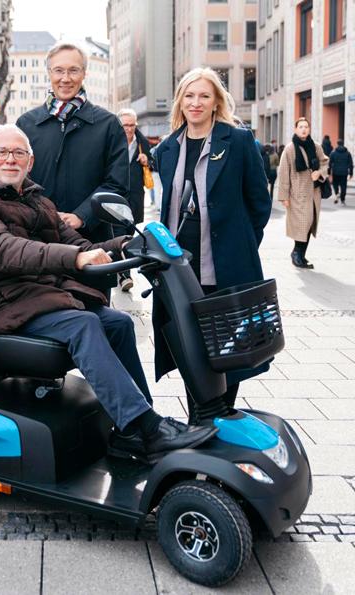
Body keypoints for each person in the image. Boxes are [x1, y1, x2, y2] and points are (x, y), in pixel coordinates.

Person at [0, 124, 216, 463]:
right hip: (2, 303)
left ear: (30, 162)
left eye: (19, 153)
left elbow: (81, 246)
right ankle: (146, 427)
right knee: (83, 324)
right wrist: (73, 257)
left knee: (118, 324)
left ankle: (132, 429)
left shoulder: (37, 200)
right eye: (2, 152)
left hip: (39, 298)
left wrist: (129, 244)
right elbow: (1, 249)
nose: (10, 160)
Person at [155, 67, 272, 423]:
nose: (196, 103)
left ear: (216, 101)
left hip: (225, 265)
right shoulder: (167, 148)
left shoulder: (237, 142)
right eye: (189, 96)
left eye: (204, 96)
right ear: (180, 101)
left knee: (228, 347)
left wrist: (241, 244)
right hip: (180, 269)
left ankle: (221, 417)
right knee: (190, 347)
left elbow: (259, 203)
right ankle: (199, 419)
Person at [17, 42, 129, 300]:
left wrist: (81, 216)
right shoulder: (26, 125)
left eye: (73, 71)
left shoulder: (108, 124)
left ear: (84, 74)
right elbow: (15, 182)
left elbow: (117, 183)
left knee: (96, 319)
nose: (65, 78)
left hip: (91, 244)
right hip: (39, 247)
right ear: (49, 73)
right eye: (58, 71)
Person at [277, 117, 328, 269]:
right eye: (300, 127)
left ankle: (301, 255)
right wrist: (284, 196)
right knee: (302, 224)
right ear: (295, 129)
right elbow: (284, 173)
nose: (304, 129)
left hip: (313, 194)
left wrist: (319, 173)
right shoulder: (290, 148)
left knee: (310, 224)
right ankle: (296, 254)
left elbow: (325, 162)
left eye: (306, 127)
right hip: (297, 194)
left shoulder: (316, 146)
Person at [115, 108, 153, 292]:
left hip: (135, 198)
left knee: (129, 236)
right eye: (125, 125)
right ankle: (124, 275)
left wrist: (147, 160)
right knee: (118, 236)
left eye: (132, 125)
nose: (129, 129)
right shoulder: (113, 142)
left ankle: (121, 270)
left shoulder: (142, 143)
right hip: (116, 197)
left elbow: (154, 163)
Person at [329, 139, 353, 205]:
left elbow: (330, 163)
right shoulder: (347, 153)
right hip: (344, 172)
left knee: (335, 184)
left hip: (335, 172)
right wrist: (351, 173)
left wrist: (328, 172)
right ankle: (342, 199)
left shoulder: (333, 153)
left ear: (337, 144)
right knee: (343, 186)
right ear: (343, 144)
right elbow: (350, 164)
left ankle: (337, 193)